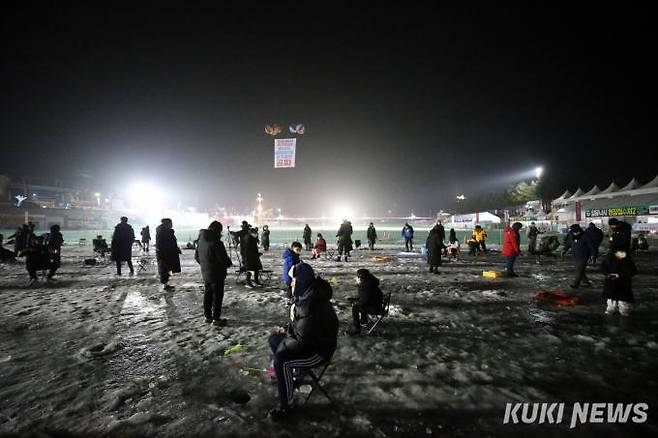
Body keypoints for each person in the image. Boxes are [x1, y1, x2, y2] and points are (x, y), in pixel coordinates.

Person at [266, 263, 338, 420]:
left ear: (302, 281)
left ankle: (287, 405)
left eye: (293, 280)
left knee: (281, 360)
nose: (291, 283)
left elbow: (304, 340)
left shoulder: (313, 305)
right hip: (306, 341)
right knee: (273, 339)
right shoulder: (306, 295)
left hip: (318, 350)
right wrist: (288, 329)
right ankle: (291, 375)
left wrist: (286, 342)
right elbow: (299, 325)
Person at [195, 221, 233, 326]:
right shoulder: (217, 243)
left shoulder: (201, 241)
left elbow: (197, 257)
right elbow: (223, 259)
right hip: (217, 273)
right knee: (217, 296)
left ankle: (207, 317)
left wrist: (205, 265)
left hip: (206, 272)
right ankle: (216, 319)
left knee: (208, 294)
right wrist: (228, 264)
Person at [347, 269, 384, 335]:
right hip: (376, 305)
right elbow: (366, 298)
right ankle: (363, 321)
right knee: (359, 305)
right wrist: (356, 299)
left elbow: (364, 302)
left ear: (360, 278)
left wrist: (355, 302)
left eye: (357, 277)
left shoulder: (365, 286)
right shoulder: (371, 282)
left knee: (355, 307)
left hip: (375, 308)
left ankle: (356, 329)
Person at [602, 249, 637, 316]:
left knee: (623, 301)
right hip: (612, 283)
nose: (623, 253)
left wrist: (620, 275)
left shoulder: (627, 259)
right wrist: (608, 274)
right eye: (621, 252)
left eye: (624, 252)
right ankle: (611, 310)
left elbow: (633, 271)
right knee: (611, 300)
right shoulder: (609, 258)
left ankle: (624, 312)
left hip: (623, 284)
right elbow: (603, 268)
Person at [156, 218, 181, 291]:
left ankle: (166, 284)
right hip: (166, 254)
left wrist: (176, 249)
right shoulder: (164, 232)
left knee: (168, 269)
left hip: (167, 254)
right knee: (165, 269)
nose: (172, 225)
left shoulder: (163, 231)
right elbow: (163, 244)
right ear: (167, 224)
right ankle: (165, 285)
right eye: (171, 223)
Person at [568, 224, 593, 289]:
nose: (576, 233)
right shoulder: (571, 236)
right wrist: (565, 249)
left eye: (577, 232)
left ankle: (576, 284)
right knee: (580, 271)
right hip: (575, 256)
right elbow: (569, 243)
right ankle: (587, 283)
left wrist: (593, 255)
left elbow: (591, 246)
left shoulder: (585, 236)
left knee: (579, 271)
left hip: (583, 256)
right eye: (574, 232)